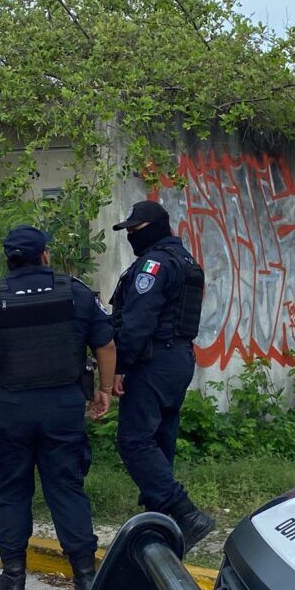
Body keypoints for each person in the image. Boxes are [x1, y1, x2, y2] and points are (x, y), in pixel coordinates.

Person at [0, 225, 116, 590]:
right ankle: (86, 581)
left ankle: (13, 580)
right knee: (67, 490)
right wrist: (103, 391)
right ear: (44, 255)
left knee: (11, 492)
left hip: (9, 411)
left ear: (8, 259)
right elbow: (105, 343)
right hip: (61, 408)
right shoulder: (75, 291)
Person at [109, 200, 214, 553]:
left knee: (134, 440)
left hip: (152, 360)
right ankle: (162, 522)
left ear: (154, 228)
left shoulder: (153, 265)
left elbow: (139, 321)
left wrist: (119, 365)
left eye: (135, 231)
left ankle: (183, 512)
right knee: (160, 438)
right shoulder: (187, 261)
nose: (131, 238)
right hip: (179, 358)